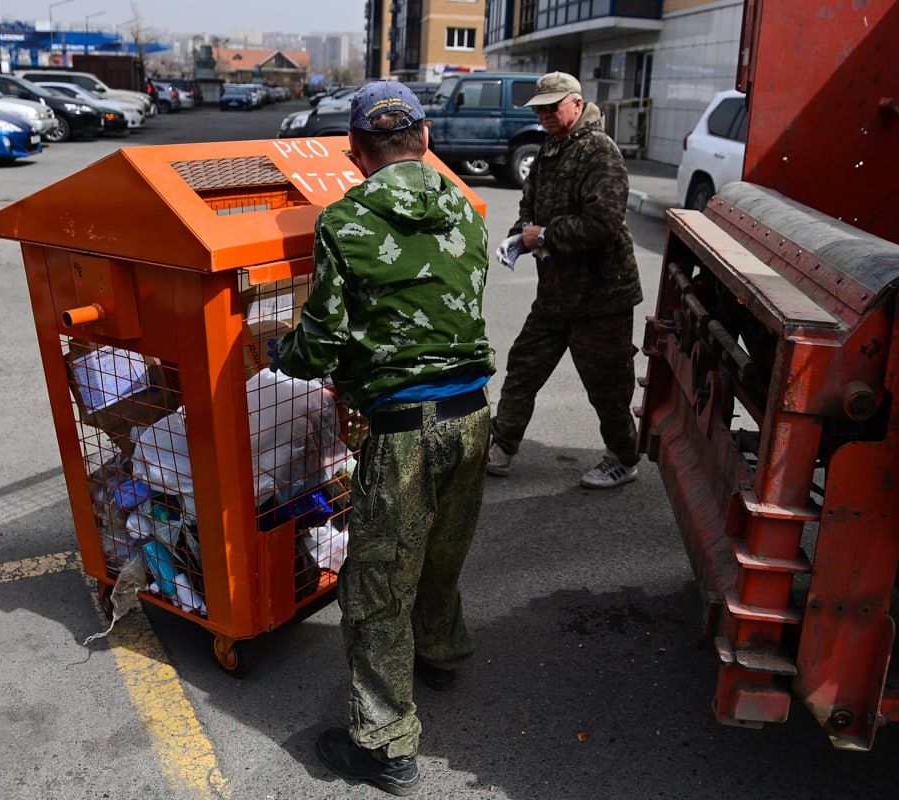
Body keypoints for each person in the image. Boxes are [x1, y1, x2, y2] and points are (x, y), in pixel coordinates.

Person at [271, 79, 494, 797]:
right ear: (425, 139)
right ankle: (443, 652)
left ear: (356, 151)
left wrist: (280, 351)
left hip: (404, 433)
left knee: (374, 588)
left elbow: (320, 345)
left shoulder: (345, 220)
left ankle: (385, 746)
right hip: (473, 416)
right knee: (442, 549)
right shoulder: (463, 200)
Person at [487, 71, 643, 489]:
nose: (544, 116)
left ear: (576, 103)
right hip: (556, 293)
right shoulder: (550, 149)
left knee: (607, 386)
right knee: (524, 367)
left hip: (601, 296)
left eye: (552, 107)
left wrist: (546, 235)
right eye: (539, 108)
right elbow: (529, 204)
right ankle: (501, 445)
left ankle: (623, 458)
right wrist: (519, 237)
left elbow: (604, 223)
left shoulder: (600, 151)